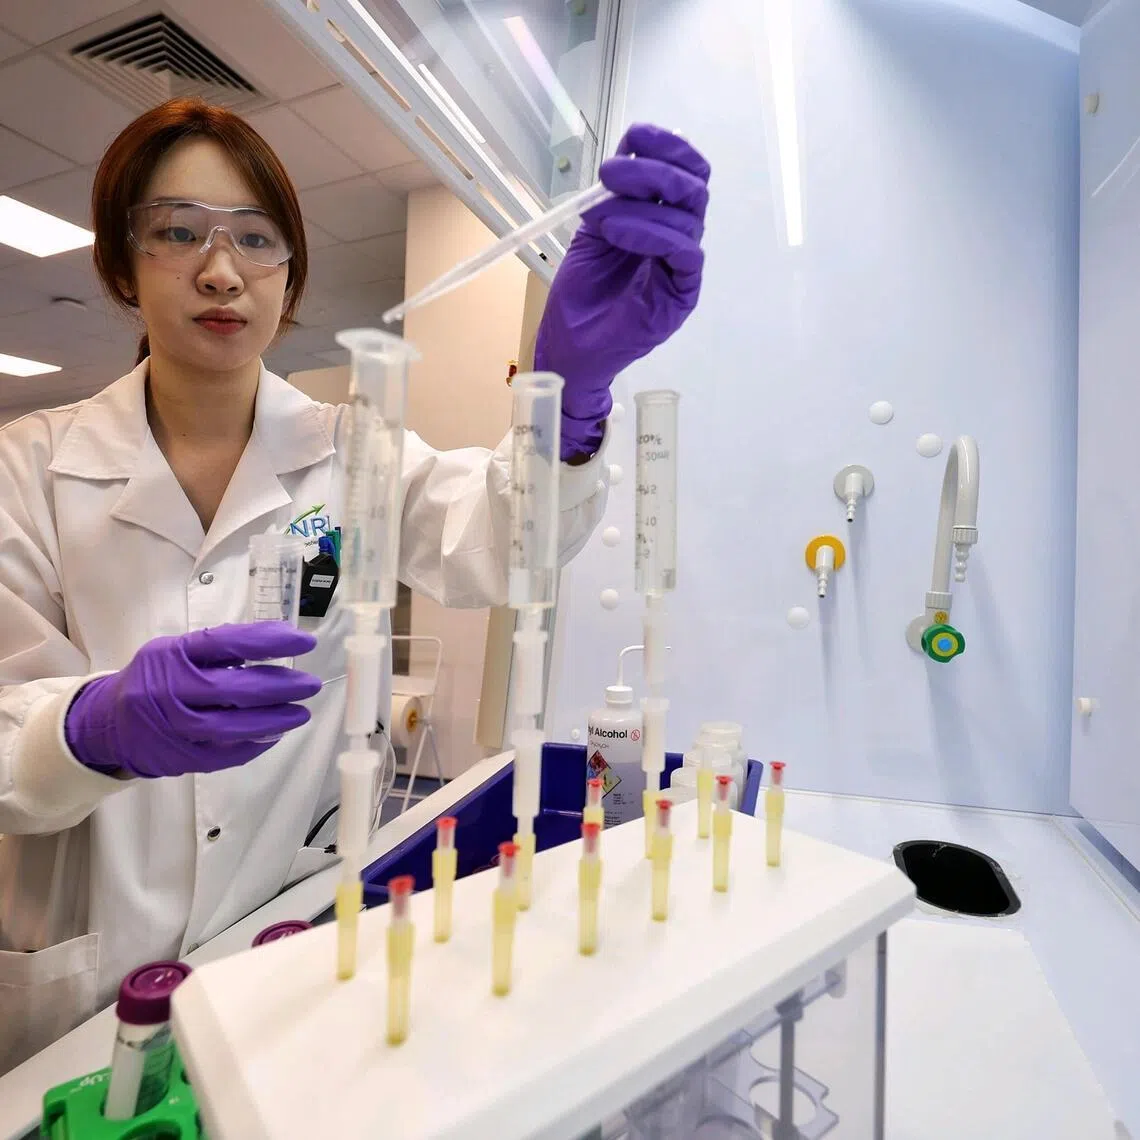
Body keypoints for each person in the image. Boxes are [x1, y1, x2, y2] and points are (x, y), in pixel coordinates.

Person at [0, 97, 710, 1073]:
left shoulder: (353, 455)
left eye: (257, 239)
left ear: (289, 276)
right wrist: (88, 727)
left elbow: (505, 541)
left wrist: (568, 398)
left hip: (275, 947)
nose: (222, 269)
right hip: (76, 983)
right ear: (122, 264)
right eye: (177, 232)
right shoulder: (25, 469)